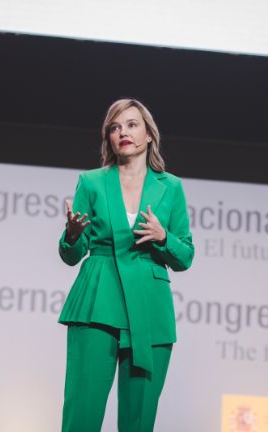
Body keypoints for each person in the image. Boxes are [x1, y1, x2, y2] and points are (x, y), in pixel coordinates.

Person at [58, 98, 194, 432]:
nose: (123, 133)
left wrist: (163, 237)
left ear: (149, 134)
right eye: (115, 128)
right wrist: (73, 235)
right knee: (82, 416)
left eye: (132, 125)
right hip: (97, 301)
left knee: (139, 421)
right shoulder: (91, 182)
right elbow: (71, 255)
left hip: (149, 307)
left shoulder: (171, 187)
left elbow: (186, 256)